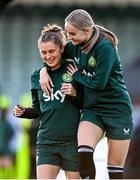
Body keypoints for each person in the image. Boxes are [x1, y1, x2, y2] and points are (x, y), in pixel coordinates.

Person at [40, 9, 133, 179]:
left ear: (87, 30)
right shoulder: (72, 46)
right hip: (93, 110)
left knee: (114, 169)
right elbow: (52, 57)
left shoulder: (105, 47)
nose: (69, 37)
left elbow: (99, 84)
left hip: (117, 111)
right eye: (67, 33)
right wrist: (43, 71)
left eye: (73, 33)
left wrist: (76, 75)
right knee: (83, 152)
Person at [13, 24, 83, 179]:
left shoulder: (72, 69)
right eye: (43, 52)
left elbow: (86, 103)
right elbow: (38, 110)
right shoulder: (36, 76)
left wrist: (74, 93)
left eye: (52, 51)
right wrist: (24, 112)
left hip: (72, 142)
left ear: (62, 49)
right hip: (46, 143)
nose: (48, 56)